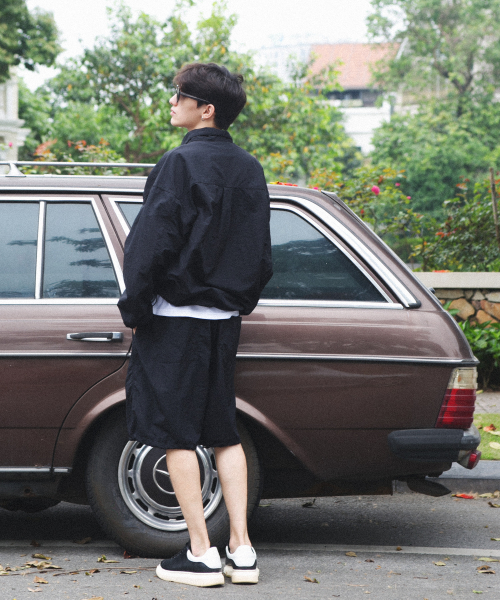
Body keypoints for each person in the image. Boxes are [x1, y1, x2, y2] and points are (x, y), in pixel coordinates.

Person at [117, 62, 272, 587]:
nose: (172, 101)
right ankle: (242, 552)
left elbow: (149, 246)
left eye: (178, 94)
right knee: (222, 430)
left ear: (205, 109)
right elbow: (261, 254)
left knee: (175, 433)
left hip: (175, 320)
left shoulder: (178, 163)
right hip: (223, 321)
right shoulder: (249, 168)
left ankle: (201, 553)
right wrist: (234, 301)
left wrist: (135, 309)